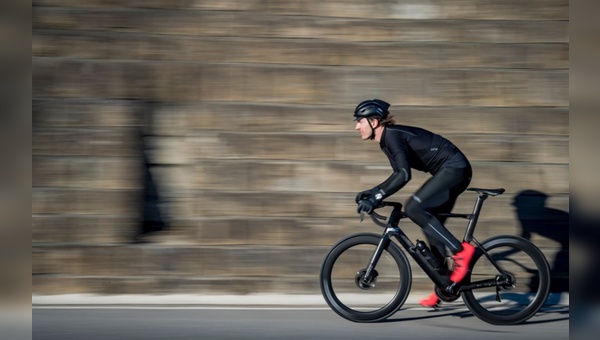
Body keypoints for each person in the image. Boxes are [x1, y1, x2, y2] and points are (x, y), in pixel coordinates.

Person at [352, 99, 475, 308]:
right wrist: (372, 192)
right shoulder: (387, 140)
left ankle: (460, 251)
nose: (356, 126)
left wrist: (376, 197)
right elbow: (396, 174)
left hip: (454, 169)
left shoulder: (392, 136)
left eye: (359, 121)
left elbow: (404, 175)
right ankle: (445, 285)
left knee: (413, 207)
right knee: (431, 226)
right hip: (450, 171)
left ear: (374, 122)